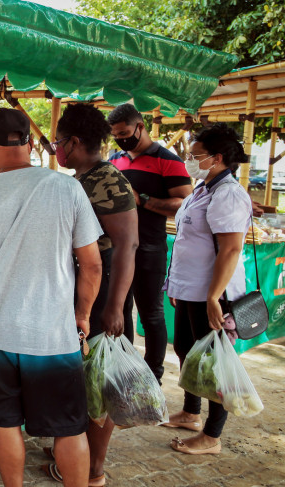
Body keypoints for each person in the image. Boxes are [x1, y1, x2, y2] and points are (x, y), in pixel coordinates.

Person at [0, 108, 103, 487]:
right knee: (68, 428)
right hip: (52, 333)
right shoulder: (67, 188)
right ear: (30, 143)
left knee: (6, 423)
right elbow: (92, 266)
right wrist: (82, 316)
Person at [42, 104, 139, 486]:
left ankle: (94, 467)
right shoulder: (81, 178)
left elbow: (127, 245)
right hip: (83, 286)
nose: (56, 149)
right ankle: (71, 448)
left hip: (104, 291)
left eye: (58, 142)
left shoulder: (108, 180)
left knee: (101, 381)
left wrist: (115, 307)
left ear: (75, 142)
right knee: (81, 375)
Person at [163, 123, 252, 455]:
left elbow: (230, 250)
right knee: (188, 352)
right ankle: (190, 413)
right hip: (191, 290)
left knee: (213, 365)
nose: (189, 160)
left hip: (212, 294)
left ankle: (212, 436)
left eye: (194, 155)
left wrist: (215, 297)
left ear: (216, 158)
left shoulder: (227, 194)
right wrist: (176, 284)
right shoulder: (203, 189)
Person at [108, 103, 192, 383]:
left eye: (124, 132)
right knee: (119, 310)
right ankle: (126, 370)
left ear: (140, 127)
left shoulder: (167, 160)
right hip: (118, 248)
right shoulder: (115, 160)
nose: (121, 139)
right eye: (116, 135)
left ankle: (153, 377)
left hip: (150, 248)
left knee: (151, 314)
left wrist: (142, 199)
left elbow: (184, 204)